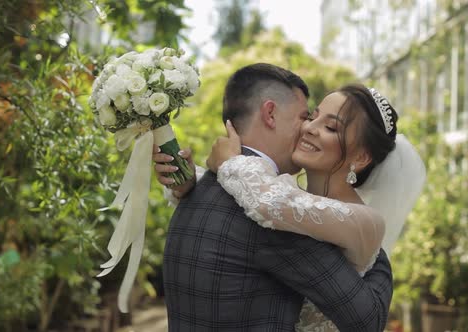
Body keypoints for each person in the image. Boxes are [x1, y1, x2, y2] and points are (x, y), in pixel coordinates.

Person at [156, 63, 393, 331]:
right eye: (308, 116)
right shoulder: (276, 220)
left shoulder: (196, 192)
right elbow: (367, 320)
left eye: (329, 127)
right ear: (270, 113)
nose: (309, 128)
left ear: (361, 157)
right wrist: (378, 260)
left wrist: (371, 248)